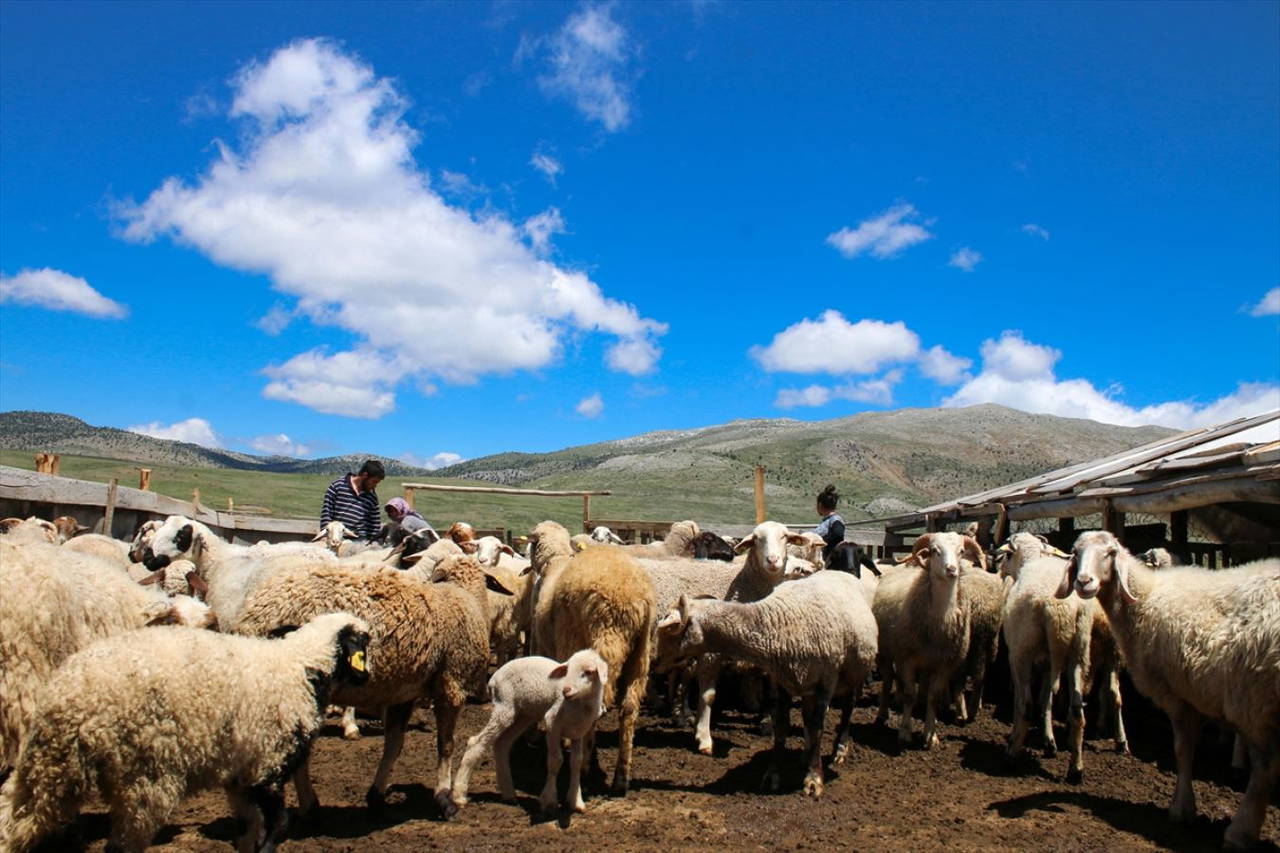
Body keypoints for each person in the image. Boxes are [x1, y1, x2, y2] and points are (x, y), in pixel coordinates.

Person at [319, 460, 384, 541]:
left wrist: (373, 542)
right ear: (365, 475)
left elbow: (374, 524)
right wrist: (325, 534)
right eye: (374, 481)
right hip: (337, 537)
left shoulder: (372, 497)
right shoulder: (338, 486)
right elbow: (327, 511)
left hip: (360, 540)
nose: (375, 485)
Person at [813, 483, 845, 566]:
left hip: (830, 563)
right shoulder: (829, 520)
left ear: (820, 505)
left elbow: (838, 534)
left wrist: (824, 542)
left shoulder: (835, 520)